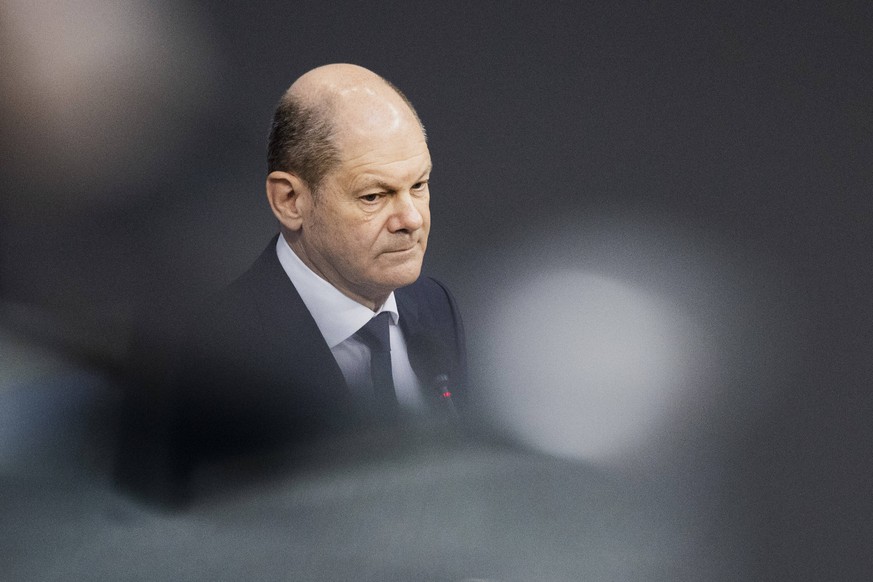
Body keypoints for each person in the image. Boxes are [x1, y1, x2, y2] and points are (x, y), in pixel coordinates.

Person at [116, 64, 468, 503]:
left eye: (419, 185)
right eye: (374, 196)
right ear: (290, 201)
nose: (411, 220)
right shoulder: (207, 353)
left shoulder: (436, 307)